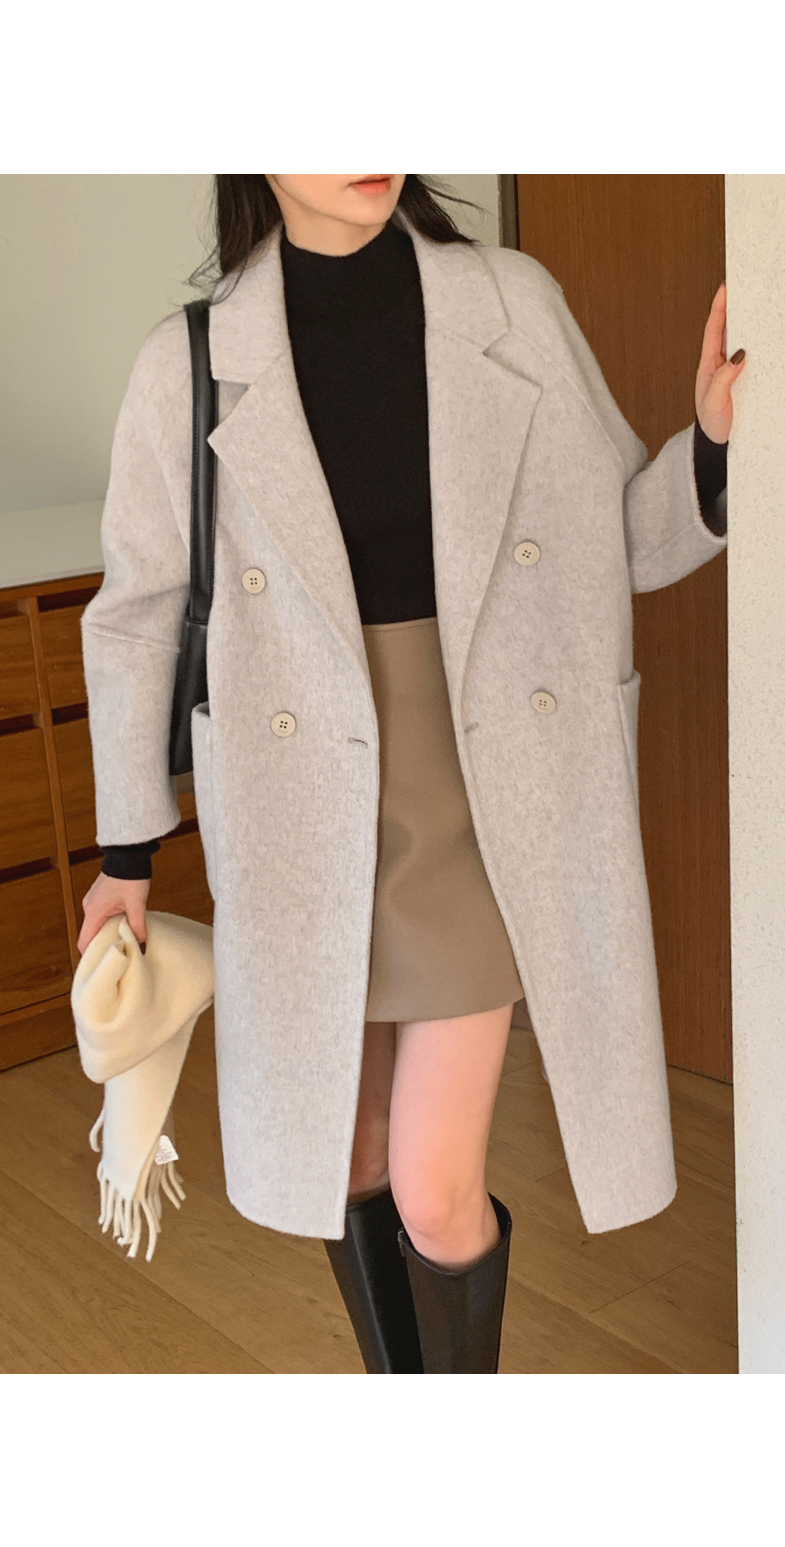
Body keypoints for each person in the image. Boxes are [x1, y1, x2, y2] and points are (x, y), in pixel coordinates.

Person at [77, 174, 744, 1374]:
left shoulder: (511, 302)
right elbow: (138, 615)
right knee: (349, 1161)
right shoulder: (188, 362)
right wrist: (126, 853)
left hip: (487, 791)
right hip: (303, 809)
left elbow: (618, 540)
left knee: (435, 1188)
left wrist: (709, 448)